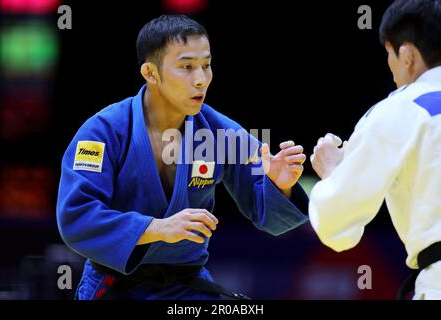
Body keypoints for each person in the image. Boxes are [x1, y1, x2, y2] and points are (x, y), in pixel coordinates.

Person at [57, 14, 308, 300]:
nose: (201, 79)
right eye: (187, 67)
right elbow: (77, 217)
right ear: (150, 73)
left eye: (206, 65)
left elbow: (272, 218)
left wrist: (281, 185)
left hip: (186, 289)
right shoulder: (102, 132)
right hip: (114, 287)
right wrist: (158, 228)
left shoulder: (220, 133)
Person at [309, 0, 441, 300]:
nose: (390, 68)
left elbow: (338, 225)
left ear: (406, 55)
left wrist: (333, 173)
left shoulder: (400, 108)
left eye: (389, 55)